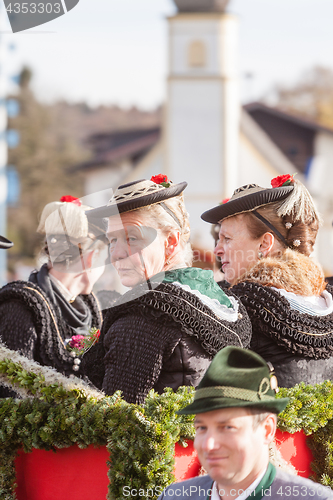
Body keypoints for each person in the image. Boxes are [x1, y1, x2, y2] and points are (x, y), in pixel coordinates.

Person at [83, 175, 252, 404]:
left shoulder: (142, 316)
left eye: (132, 238)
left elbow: (118, 424)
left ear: (171, 241)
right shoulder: (221, 299)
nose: (117, 254)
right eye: (113, 240)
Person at [201, 174, 333, 387]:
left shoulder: (238, 304)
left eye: (227, 239)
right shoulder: (326, 299)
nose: (217, 250)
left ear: (264, 244)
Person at [158, 346, 333, 500]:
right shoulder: (174, 496)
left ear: (267, 429)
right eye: (201, 427)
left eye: (227, 427)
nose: (209, 444)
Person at [0, 195, 108, 380]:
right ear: (93, 257)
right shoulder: (20, 306)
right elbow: (13, 392)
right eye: (105, 259)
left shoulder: (92, 310)